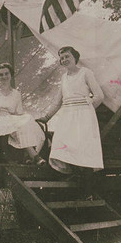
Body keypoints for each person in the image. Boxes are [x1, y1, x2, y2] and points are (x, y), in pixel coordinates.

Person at [37, 46, 104, 174]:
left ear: (75, 57)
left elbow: (99, 96)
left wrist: (86, 109)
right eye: (62, 58)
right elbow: (58, 102)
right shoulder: (64, 78)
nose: (64, 59)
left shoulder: (85, 72)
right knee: (62, 148)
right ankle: (74, 181)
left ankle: (88, 190)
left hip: (83, 118)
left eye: (67, 56)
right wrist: (46, 118)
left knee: (82, 152)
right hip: (67, 118)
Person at [0, 63, 46, 165]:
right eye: (1, 75)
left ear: (10, 75)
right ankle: (34, 156)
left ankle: (30, 156)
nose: (4, 77)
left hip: (13, 118)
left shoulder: (16, 93)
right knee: (17, 124)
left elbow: (19, 113)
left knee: (29, 120)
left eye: (6, 74)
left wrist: (15, 118)